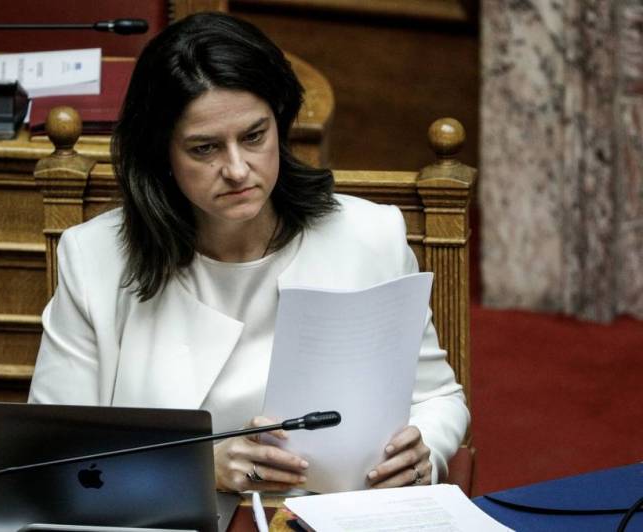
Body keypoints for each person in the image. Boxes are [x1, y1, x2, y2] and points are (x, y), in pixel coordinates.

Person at [29, 11, 469, 493]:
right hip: (172, 519)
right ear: (162, 154)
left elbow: (439, 398)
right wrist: (198, 469)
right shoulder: (95, 258)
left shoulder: (369, 235)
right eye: (205, 149)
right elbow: (50, 457)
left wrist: (424, 454)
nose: (237, 169)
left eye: (254, 136)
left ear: (279, 124)